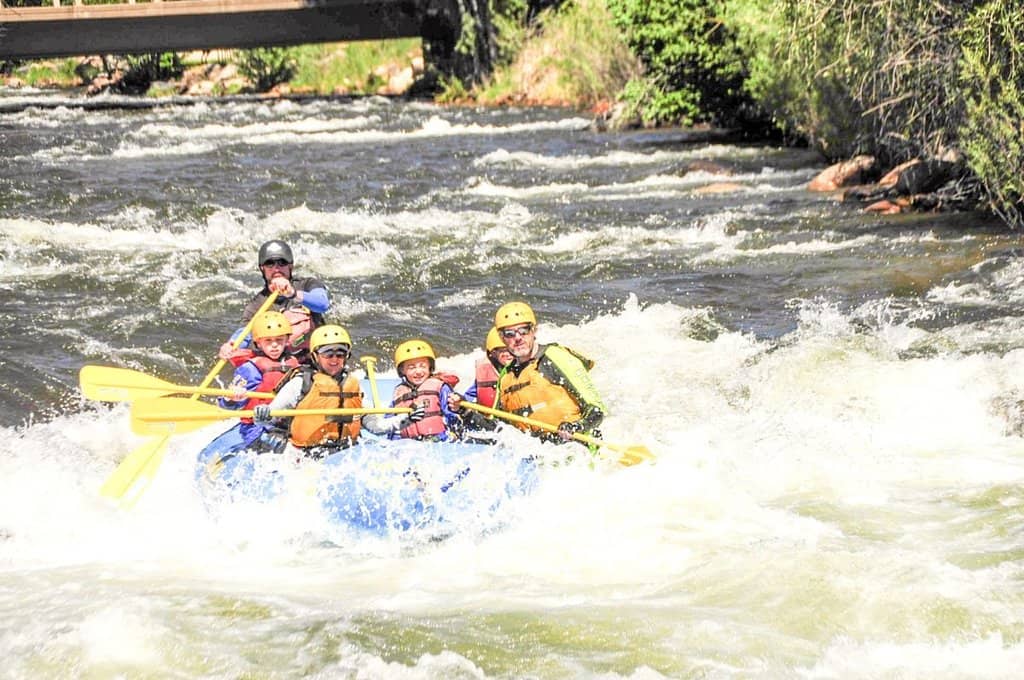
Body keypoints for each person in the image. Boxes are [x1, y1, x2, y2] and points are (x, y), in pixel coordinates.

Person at [451, 301, 605, 445]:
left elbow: (597, 409)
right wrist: (465, 410)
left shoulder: (555, 357)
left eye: (524, 330)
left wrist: (576, 427)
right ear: (501, 337)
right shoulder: (506, 376)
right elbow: (497, 430)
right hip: (538, 457)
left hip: (577, 449)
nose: (518, 338)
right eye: (510, 334)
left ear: (534, 330)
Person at [196, 311, 302, 463]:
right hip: (255, 425)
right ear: (258, 343)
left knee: (205, 457)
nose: (274, 345)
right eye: (268, 341)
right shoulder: (250, 369)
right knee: (205, 456)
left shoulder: (295, 365)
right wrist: (232, 397)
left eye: (279, 340)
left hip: (269, 429)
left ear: (287, 341)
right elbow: (227, 405)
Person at [252, 324, 362, 457]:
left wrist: (392, 424)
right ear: (315, 356)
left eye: (340, 354)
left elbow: (371, 421)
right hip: (306, 454)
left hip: (344, 450)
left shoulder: (353, 383)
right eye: (328, 354)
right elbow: (268, 419)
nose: (334, 359)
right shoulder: (301, 383)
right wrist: (262, 415)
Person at [220, 239, 330, 363]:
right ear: (262, 269)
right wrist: (231, 345)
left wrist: (292, 294)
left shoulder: (308, 285)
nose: (276, 268)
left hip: (315, 360)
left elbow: (323, 304)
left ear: (290, 266)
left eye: (282, 263)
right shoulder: (257, 305)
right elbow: (244, 333)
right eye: (270, 264)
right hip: (283, 363)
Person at [362, 339, 462, 442]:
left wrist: (454, 435)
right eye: (411, 367)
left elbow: (452, 415)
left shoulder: (440, 387)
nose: (418, 371)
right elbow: (391, 423)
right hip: (409, 445)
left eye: (422, 366)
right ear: (402, 370)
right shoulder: (399, 391)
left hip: (438, 441)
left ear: (430, 367)